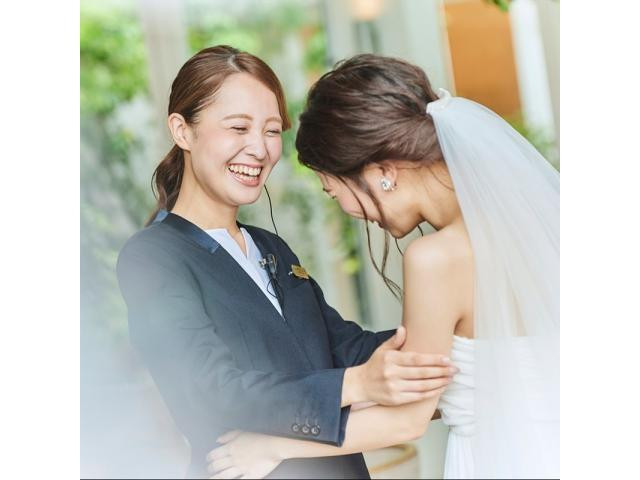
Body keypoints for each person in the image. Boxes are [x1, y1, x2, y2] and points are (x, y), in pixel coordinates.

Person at [206, 54, 559, 479]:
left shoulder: (436, 259)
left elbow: (408, 419)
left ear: (384, 172)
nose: (351, 211)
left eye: (334, 192)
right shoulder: (532, 227)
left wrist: (270, 447)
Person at [116, 46, 455, 479]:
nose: (259, 149)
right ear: (182, 131)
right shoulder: (152, 256)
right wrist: (356, 384)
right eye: (238, 127)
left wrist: (456, 330)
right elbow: (209, 389)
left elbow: (345, 348)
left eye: (272, 131)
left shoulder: (271, 247)